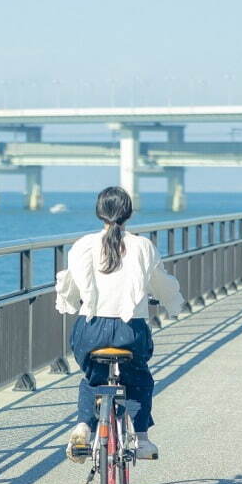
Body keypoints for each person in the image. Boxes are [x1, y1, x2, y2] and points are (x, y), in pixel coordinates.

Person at [55, 186, 185, 462]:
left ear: (98, 212)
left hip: (90, 330)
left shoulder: (83, 245)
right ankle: (142, 439)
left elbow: (69, 285)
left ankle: (82, 427)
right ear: (129, 213)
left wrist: (67, 303)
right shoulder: (142, 246)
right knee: (138, 378)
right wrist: (174, 304)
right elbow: (160, 284)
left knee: (93, 378)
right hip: (130, 330)